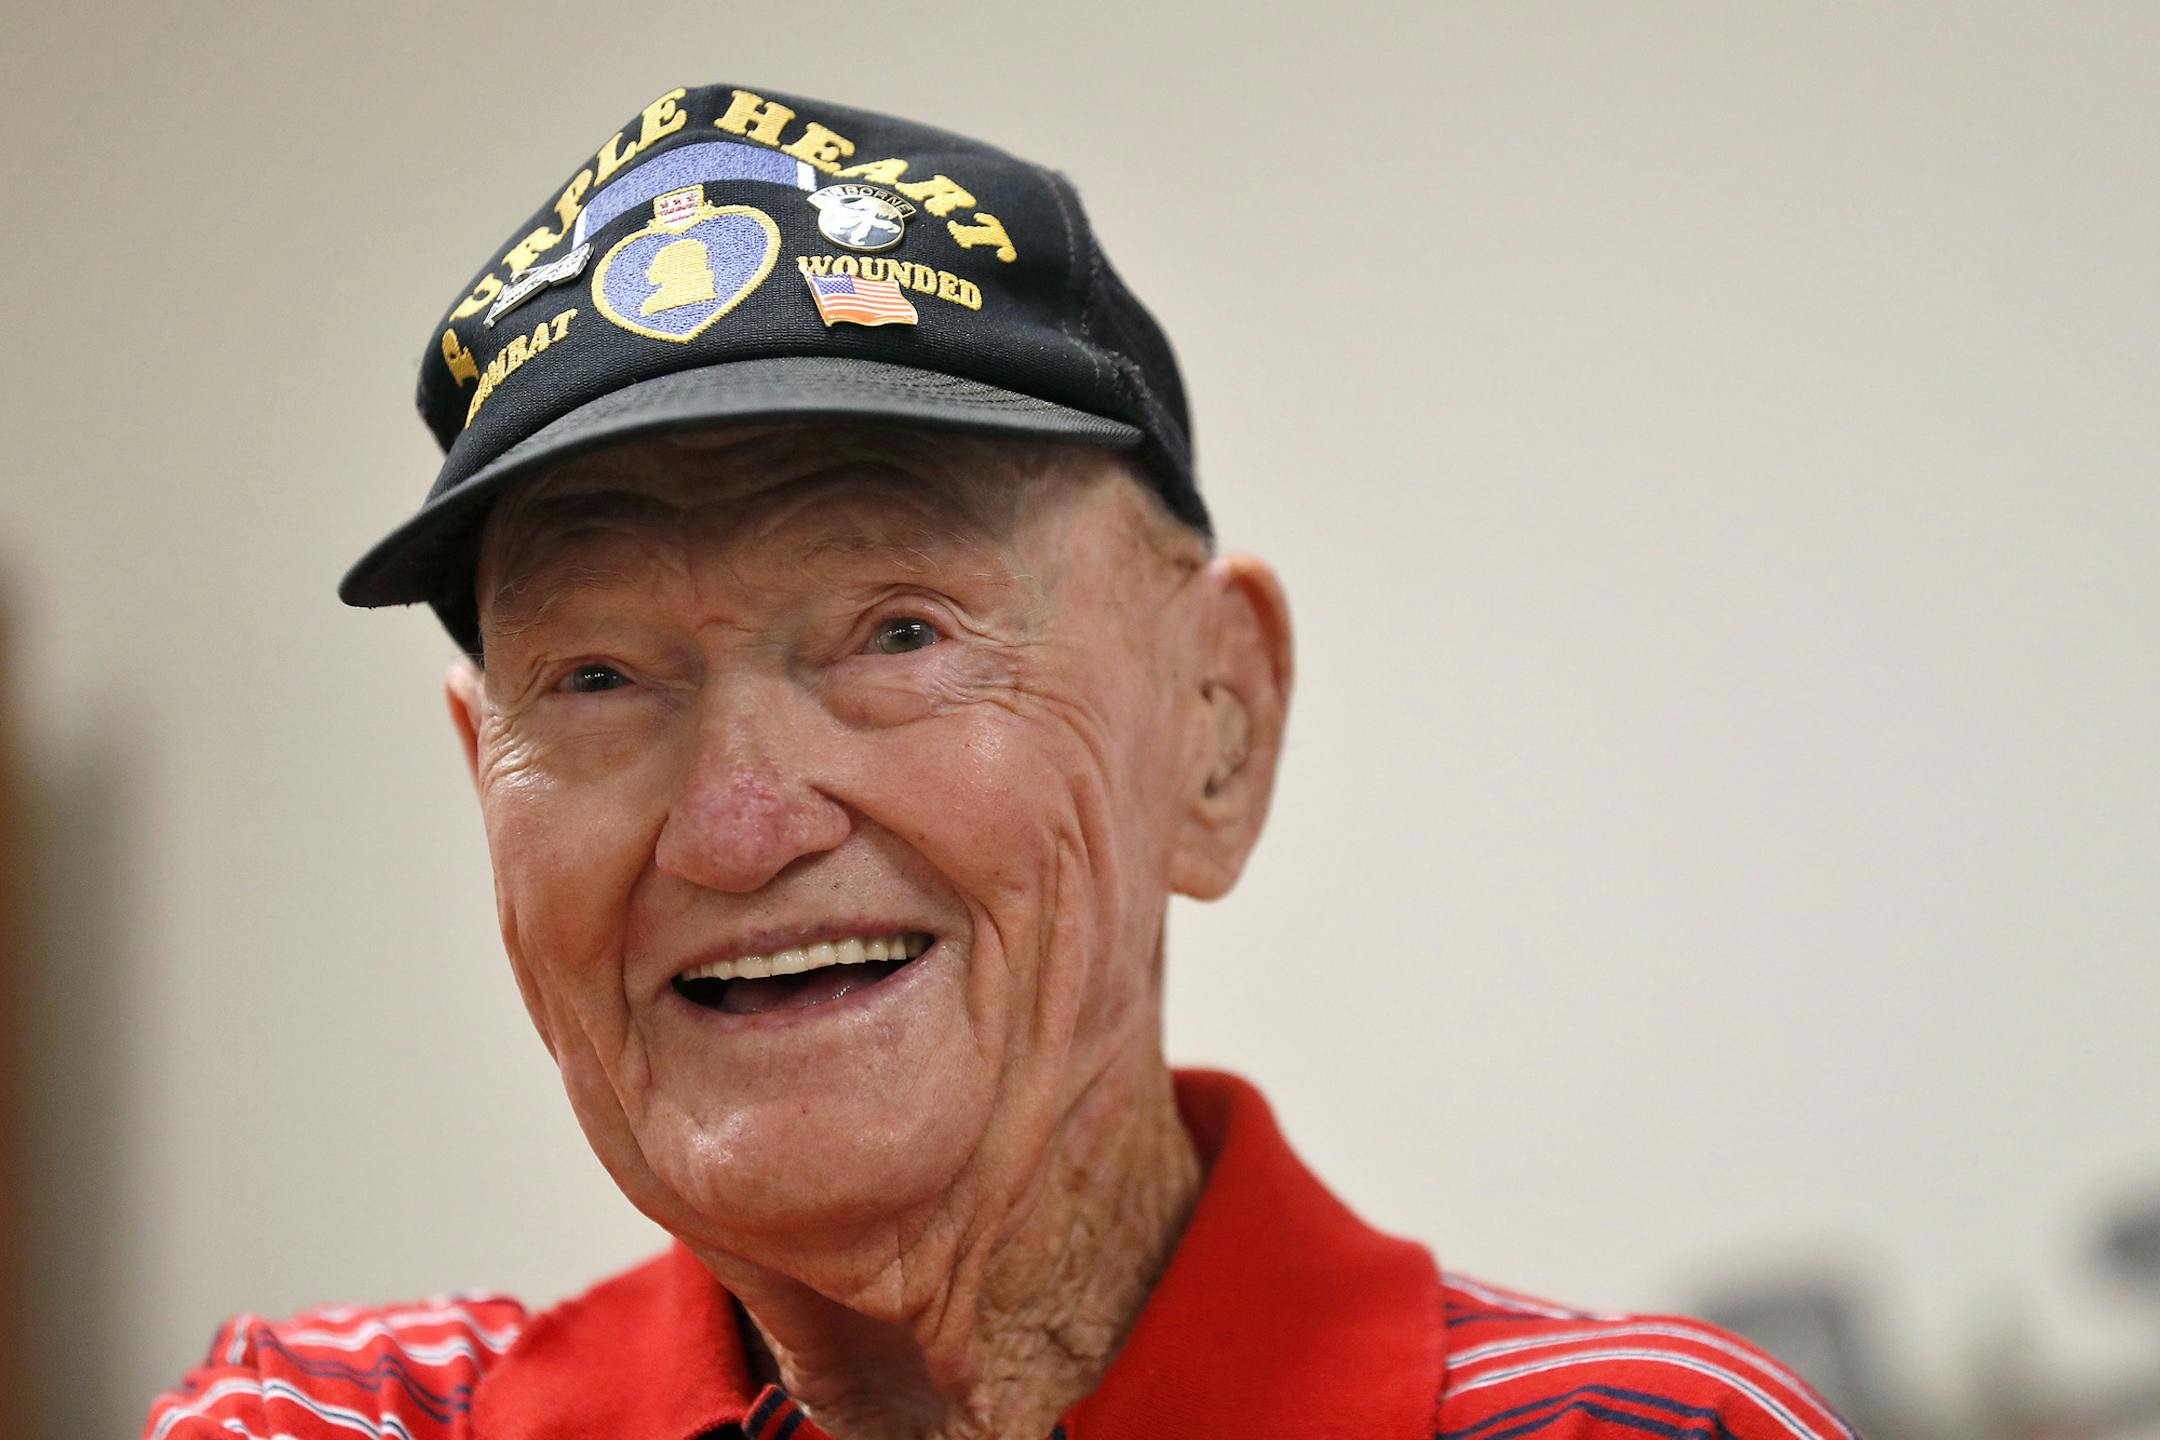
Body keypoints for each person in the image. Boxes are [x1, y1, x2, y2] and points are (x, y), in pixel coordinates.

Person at [143, 82, 1855, 1440]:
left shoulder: (1646, 1436)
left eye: (898, 633)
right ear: (484, 782)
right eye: (595, 675)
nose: (736, 828)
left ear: (1216, 726)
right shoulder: (325, 1421)